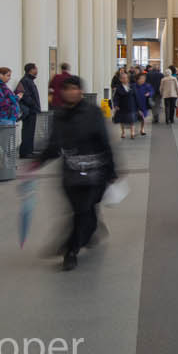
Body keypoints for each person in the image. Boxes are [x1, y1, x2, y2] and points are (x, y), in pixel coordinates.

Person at [28, 75, 117, 271]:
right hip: (71, 175)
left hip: (95, 174)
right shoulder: (60, 115)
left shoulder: (93, 113)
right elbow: (54, 144)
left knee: (84, 211)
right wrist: (38, 162)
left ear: (80, 91)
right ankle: (85, 235)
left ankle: (71, 249)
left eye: (73, 88)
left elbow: (104, 142)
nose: (70, 92)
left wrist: (112, 171)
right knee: (81, 211)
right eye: (66, 89)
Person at [14, 63, 42, 158]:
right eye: (36, 68)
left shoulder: (29, 80)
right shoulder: (25, 81)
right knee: (27, 131)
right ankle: (25, 152)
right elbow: (25, 96)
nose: (37, 70)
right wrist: (33, 105)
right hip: (30, 110)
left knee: (30, 131)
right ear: (31, 70)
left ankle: (29, 151)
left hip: (32, 110)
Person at [112, 70, 137, 139]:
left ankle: (132, 132)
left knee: (131, 119)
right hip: (122, 106)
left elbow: (136, 96)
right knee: (122, 120)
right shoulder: (118, 88)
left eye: (126, 78)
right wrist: (116, 105)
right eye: (123, 78)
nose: (125, 79)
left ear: (128, 79)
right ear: (120, 79)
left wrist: (138, 106)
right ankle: (123, 132)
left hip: (131, 105)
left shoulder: (132, 86)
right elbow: (115, 98)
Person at [133, 72, 153, 137]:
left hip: (144, 104)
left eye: (144, 78)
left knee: (143, 117)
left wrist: (149, 94)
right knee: (134, 118)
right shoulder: (134, 86)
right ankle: (134, 130)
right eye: (141, 78)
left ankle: (142, 129)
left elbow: (152, 91)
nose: (143, 80)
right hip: (135, 104)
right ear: (137, 79)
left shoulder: (147, 85)